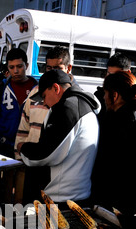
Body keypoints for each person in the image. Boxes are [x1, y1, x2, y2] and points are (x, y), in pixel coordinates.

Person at [18, 70, 100, 205]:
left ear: (56, 88)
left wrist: (24, 148)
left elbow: (46, 153)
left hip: (62, 196)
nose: (44, 103)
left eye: (44, 96)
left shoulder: (68, 107)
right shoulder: (84, 104)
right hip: (77, 192)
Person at [92, 70, 136, 229]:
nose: (104, 98)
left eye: (105, 93)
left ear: (115, 95)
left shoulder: (131, 123)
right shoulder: (119, 117)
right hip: (111, 200)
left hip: (117, 204)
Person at [15, 46, 78, 159]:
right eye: (49, 68)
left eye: (58, 68)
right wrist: (19, 157)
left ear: (68, 68)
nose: (53, 72)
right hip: (31, 162)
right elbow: (23, 129)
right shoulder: (34, 93)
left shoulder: (75, 99)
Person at [0, 48, 37, 157]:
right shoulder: (1, 87)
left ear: (27, 65)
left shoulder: (37, 88)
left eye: (19, 66)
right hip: (5, 146)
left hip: (29, 146)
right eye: (12, 67)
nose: (15, 71)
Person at [95, 52, 131, 123]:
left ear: (128, 73)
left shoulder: (134, 98)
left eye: (116, 75)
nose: (110, 79)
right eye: (109, 74)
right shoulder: (99, 95)